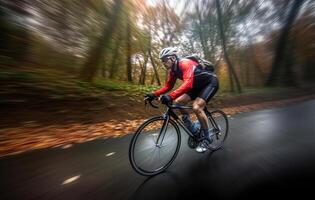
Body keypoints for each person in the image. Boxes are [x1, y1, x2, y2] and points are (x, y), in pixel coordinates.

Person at [145, 47, 219, 153]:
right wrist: (153, 94)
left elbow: (188, 84)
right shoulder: (173, 72)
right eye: (162, 61)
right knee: (179, 102)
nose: (164, 63)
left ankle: (207, 139)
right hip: (195, 86)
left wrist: (170, 96)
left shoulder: (185, 63)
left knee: (196, 107)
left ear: (173, 58)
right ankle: (192, 127)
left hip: (210, 82)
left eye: (165, 60)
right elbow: (168, 86)